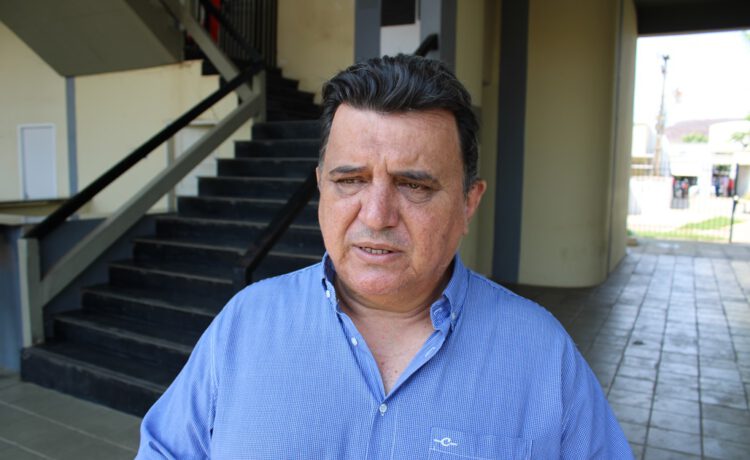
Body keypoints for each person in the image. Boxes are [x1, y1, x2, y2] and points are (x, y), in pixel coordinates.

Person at [137, 55, 631, 459]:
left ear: (468, 204)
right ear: (321, 188)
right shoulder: (244, 325)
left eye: (414, 186)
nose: (376, 215)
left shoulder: (542, 354)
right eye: (350, 181)